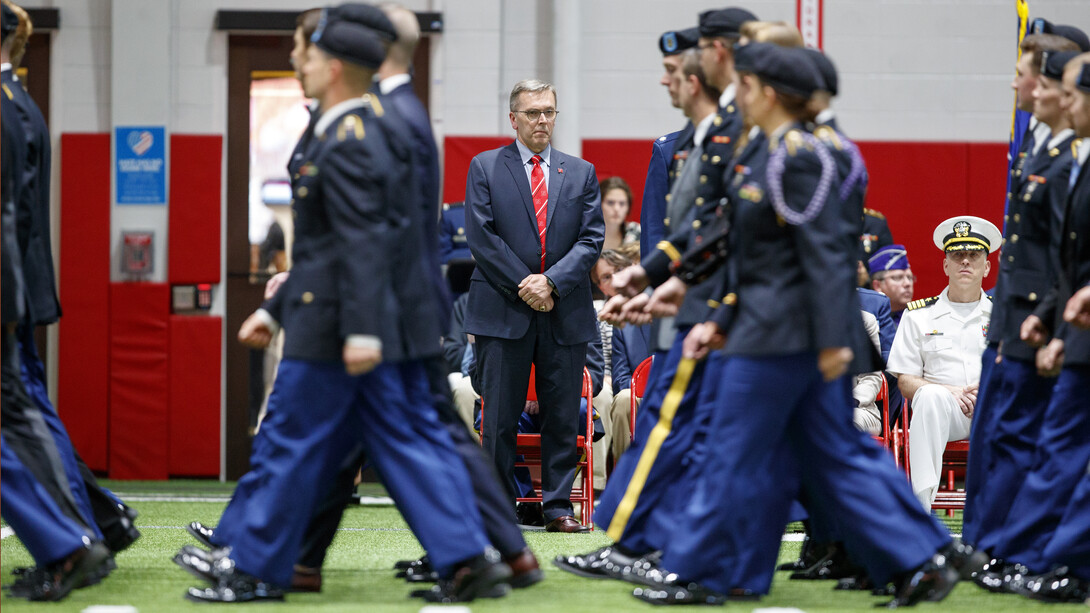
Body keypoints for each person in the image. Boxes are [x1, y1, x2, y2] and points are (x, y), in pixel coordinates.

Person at [176, 5, 509, 603]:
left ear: (332, 67)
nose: (297, 62)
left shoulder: (352, 137)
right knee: (389, 443)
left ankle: (258, 566)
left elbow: (360, 243)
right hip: (338, 316)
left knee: (295, 442)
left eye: (305, 54)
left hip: (339, 324)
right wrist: (277, 311)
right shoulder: (347, 128)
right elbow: (332, 246)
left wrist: (358, 330)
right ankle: (465, 556)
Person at [635, 43, 968, 607]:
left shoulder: (799, 156)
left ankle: (705, 573)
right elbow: (750, 248)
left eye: (744, 85)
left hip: (786, 337)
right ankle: (928, 556)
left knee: (732, 446)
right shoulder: (775, 151)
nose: (734, 94)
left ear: (767, 92)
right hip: (771, 329)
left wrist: (829, 338)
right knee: (834, 453)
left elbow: (819, 255)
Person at [2, 0, 140, 558]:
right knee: (30, 411)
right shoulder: (20, 101)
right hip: (17, 286)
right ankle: (97, 522)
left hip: (9, 289)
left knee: (24, 414)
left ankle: (78, 538)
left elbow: (10, 215)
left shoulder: (7, 105)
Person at [464, 78, 604, 533]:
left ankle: (558, 508)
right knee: (499, 418)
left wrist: (552, 283)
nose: (543, 120)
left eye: (549, 112)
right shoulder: (485, 167)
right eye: (533, 113)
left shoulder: (580, 171)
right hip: (503, 308)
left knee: (562, 417)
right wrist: (527, 284)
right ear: (514, 119)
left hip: (564, 309)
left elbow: (591, 240)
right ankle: (500, 507)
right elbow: (482, 239)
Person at [976, 52, 1090, 600]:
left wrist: (1052, 323)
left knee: (1046, 443)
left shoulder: (1071, 157)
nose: (1059, 101)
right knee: (1019, 437)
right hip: (1043, 317)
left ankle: (1026, 551)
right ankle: (1009, 548)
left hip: (1062, 322)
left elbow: (1057, 257)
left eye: (1067, 92)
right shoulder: (1054, 151)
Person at [886, 216, 1000, 512]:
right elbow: (905, 381)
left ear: (986, 266)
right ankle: (919, 511)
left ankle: (1011, 517)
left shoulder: (1004, 319)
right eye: (957, 255)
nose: (965, 262)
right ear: (945, 265)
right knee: (930, 396)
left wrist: (987, 391)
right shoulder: (918, 316)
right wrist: (949, 391)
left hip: (994, 408)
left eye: (974, 255)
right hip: (943, 414)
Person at [639, 27, 700, 258]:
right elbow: (654, 230)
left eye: (671, 70)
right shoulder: (668, 150)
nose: (664, 80)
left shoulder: (736, 139)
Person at [868, 243, 915, 325]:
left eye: (910, 277)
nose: (907, 283)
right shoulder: (867, 320)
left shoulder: (920, 318)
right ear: (877, 285)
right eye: (898, 278)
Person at [600, 177, 640, 251]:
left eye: (622, 203)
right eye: (610, 202)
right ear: (598, 204)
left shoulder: (637, 232)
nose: (616, 209)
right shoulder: (585, 235)